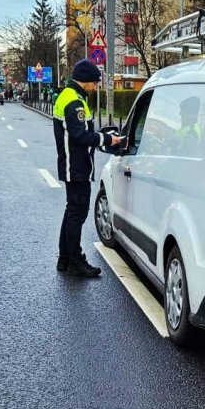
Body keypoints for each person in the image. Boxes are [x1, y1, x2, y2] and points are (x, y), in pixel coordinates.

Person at [54, 60, 121, 277]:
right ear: (85, 80)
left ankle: (65, 258)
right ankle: (75, 261)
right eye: (94, 82)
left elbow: (80, 133)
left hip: (74, 164)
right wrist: (107, 139)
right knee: (77, 213)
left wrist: (101, 138)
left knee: (72, 212)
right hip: (76, 166)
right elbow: (80, 135)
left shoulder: (69, 96)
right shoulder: (74, 101)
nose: (95, 87)